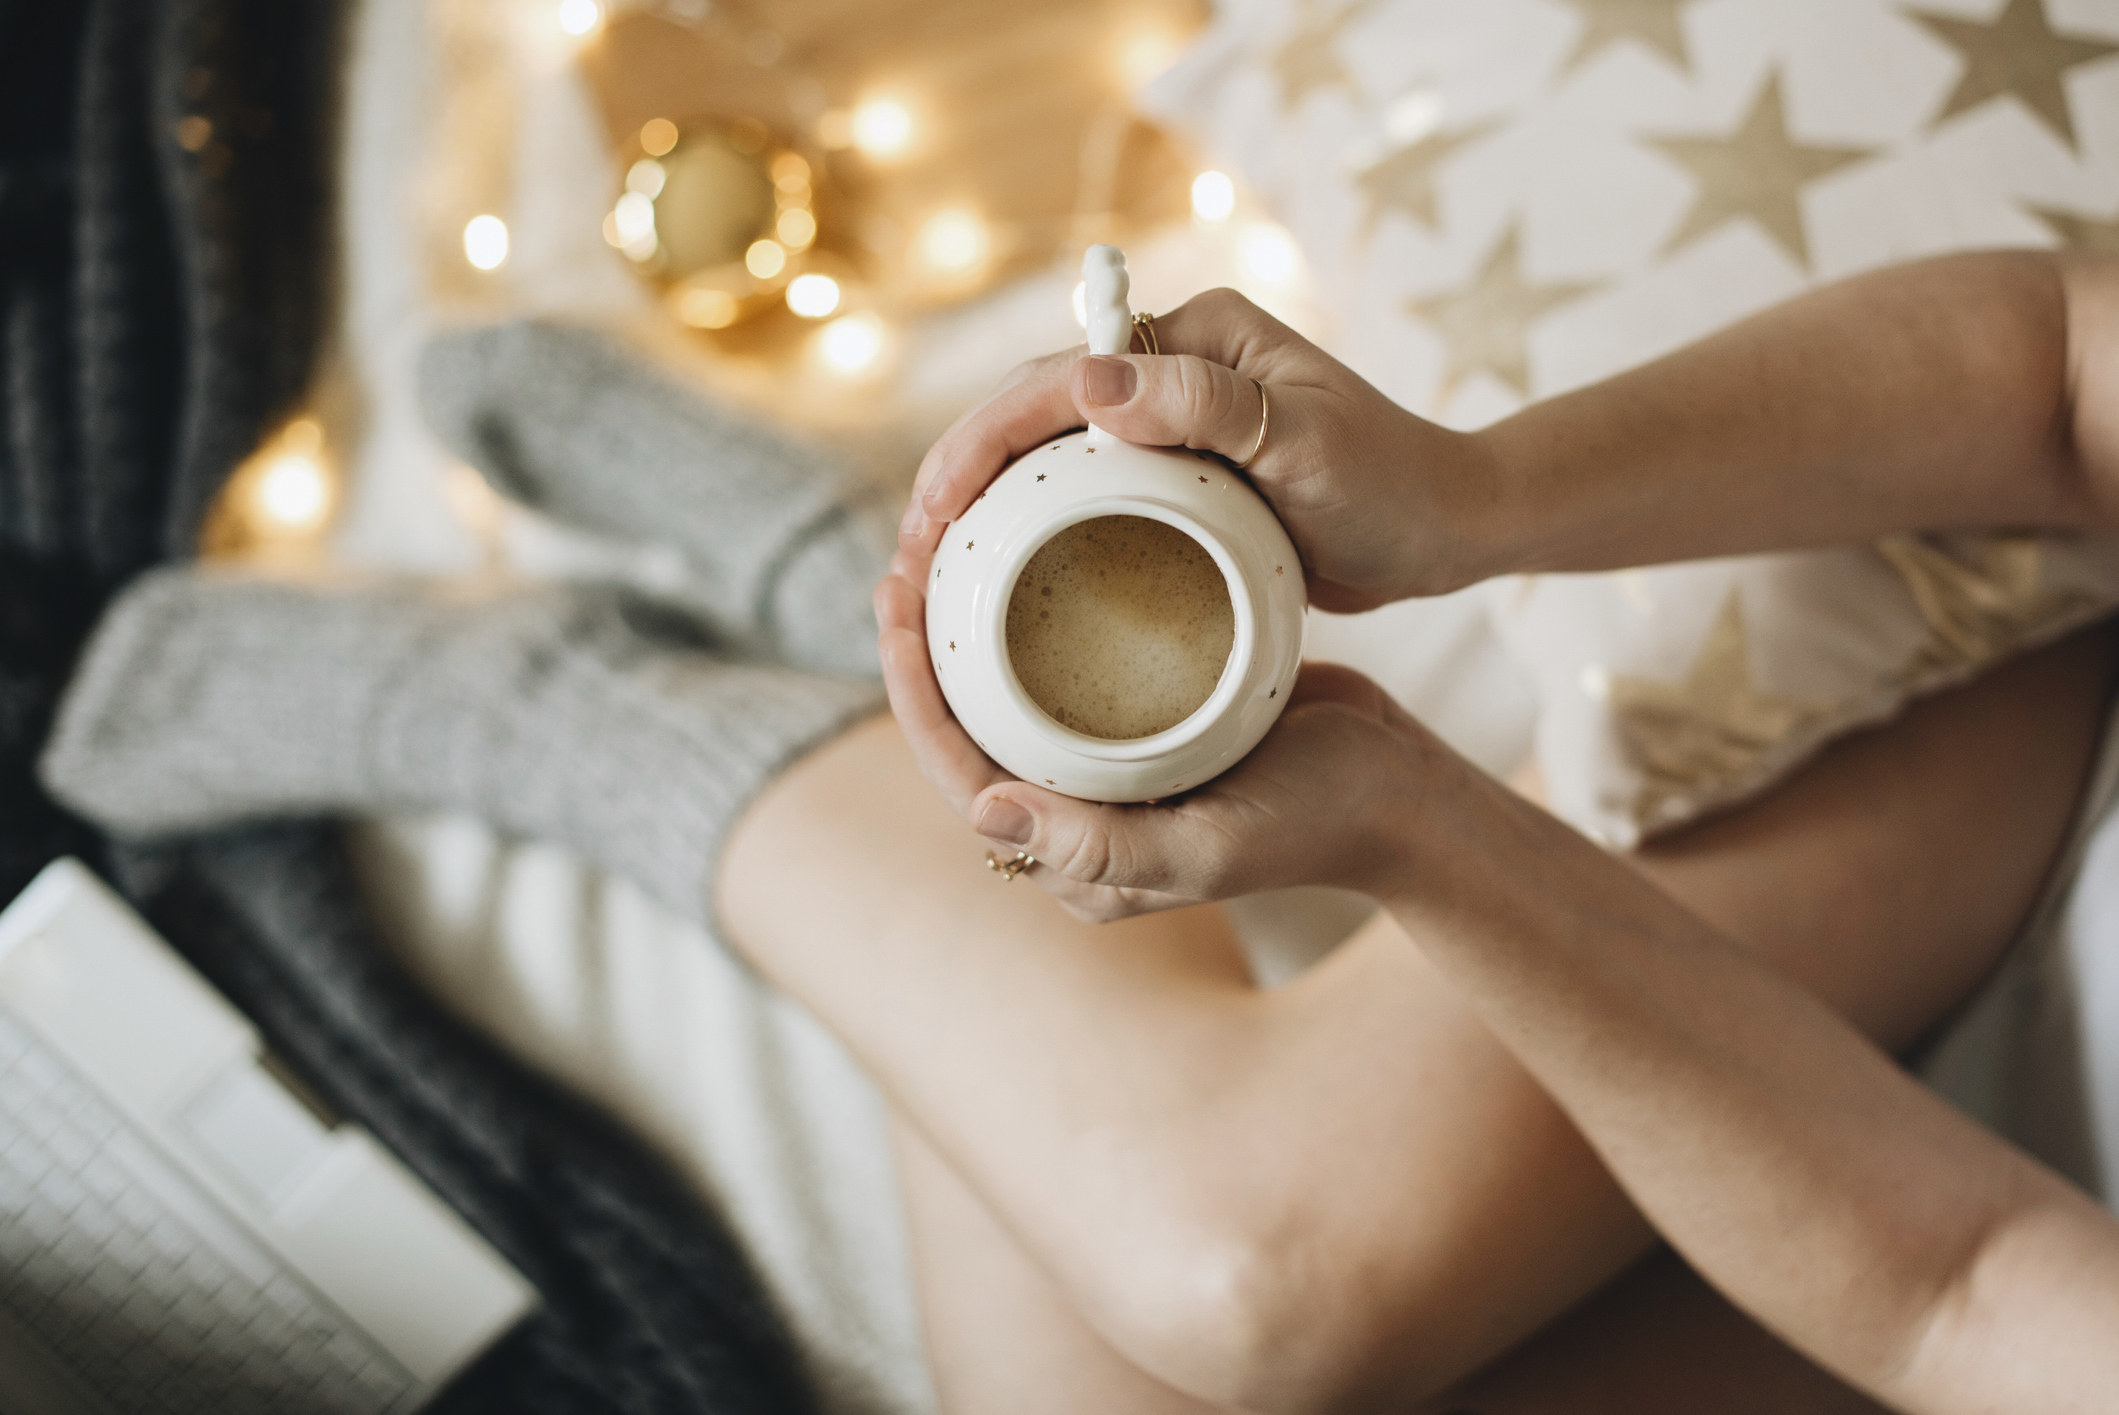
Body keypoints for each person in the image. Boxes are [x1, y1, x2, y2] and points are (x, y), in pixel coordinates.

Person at [724, 250, 2119, 1412]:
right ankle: (815, 638)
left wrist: (1409, 818)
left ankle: (851, 618)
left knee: (1186, 1319)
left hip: (1941, 1239)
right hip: (2017, 727)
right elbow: (2062, 380)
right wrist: (1468, 501)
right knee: (1250, 1279)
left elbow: (1965, 1290)